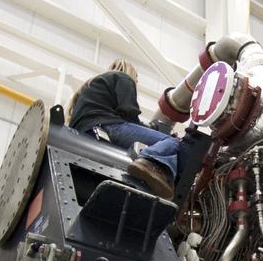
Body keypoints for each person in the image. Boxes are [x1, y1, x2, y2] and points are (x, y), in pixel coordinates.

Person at [67, 59, 185, 199]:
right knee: (172, 142)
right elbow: (129, 113)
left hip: (88, 132)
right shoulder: (123, 78)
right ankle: (148, 161)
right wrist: (150, 130)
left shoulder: (89, 87)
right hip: (109, 127)